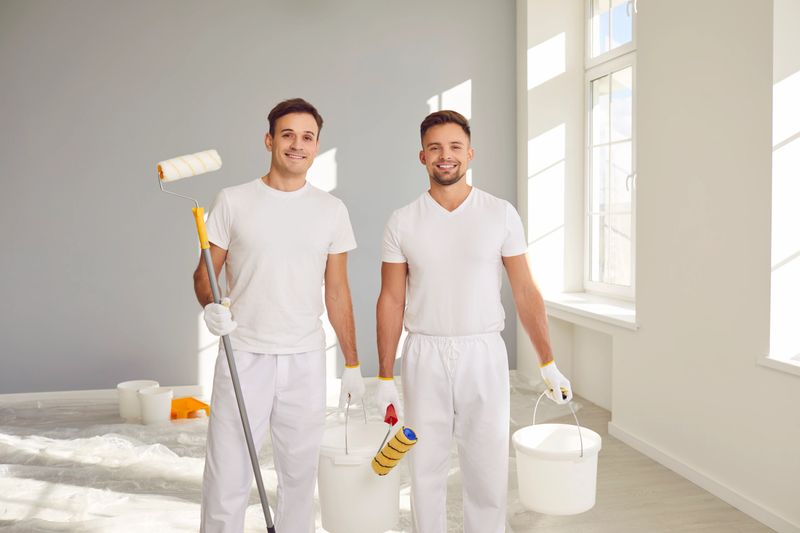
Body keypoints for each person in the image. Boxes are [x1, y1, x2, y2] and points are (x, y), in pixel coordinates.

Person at [375, 110, 573, 532]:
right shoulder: (402, 221)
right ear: (422, 156)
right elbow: (391, 299)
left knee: (486, 463)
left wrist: (548, 362)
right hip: (423, 352)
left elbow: (524, 290)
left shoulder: (500, 213)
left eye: (454, 147)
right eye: (435, 148)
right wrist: (383, 374)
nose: (445, 156)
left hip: (482, 351)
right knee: (425, 465)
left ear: (470, 153)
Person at [194, 98, 365, 533]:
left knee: (299, 476)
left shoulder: (331, 210)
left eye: (307, 137)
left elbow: (338, 290)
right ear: (270, 140)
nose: (297, 144)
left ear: (317, 146)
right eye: (287, 134)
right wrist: (211, 307)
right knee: (228, 475)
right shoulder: (233, 201)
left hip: (305, 359)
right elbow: (204, 274)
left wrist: (352, 362)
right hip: (243, 355)